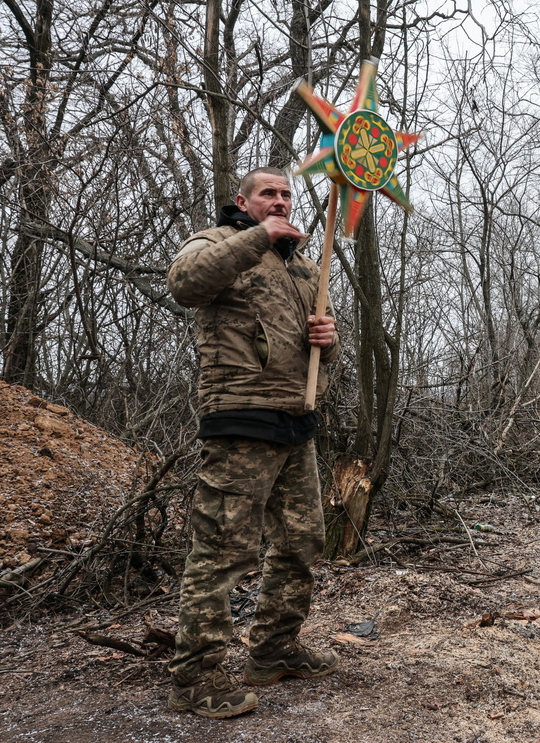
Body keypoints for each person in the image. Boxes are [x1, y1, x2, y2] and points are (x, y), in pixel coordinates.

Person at [165, 167, 341, 718]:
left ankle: (273, 649)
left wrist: (329, 339)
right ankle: (195, 676)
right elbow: (184, 284)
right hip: (240, 417)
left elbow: (318, 346)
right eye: (269, 193)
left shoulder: (303, 264)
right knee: (223, 550)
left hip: (296, 418)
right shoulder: (219, 241)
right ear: (243, 201)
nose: (281, 201)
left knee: (302, 542)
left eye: (287, 194)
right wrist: (258, 237)